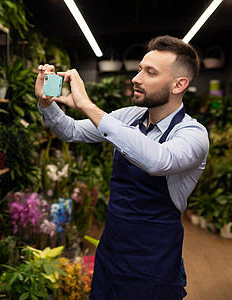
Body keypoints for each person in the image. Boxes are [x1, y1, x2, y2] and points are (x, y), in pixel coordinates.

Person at [35, 35, 209, 299]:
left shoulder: (193, 134)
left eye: (150, 72)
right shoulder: (128, 117)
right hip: (111, 252)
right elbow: (70, 130)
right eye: (140, 69)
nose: (136, 78)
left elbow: (158, 161)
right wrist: (47, 104)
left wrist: (87, 106)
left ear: (179, 84)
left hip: (154, 264)